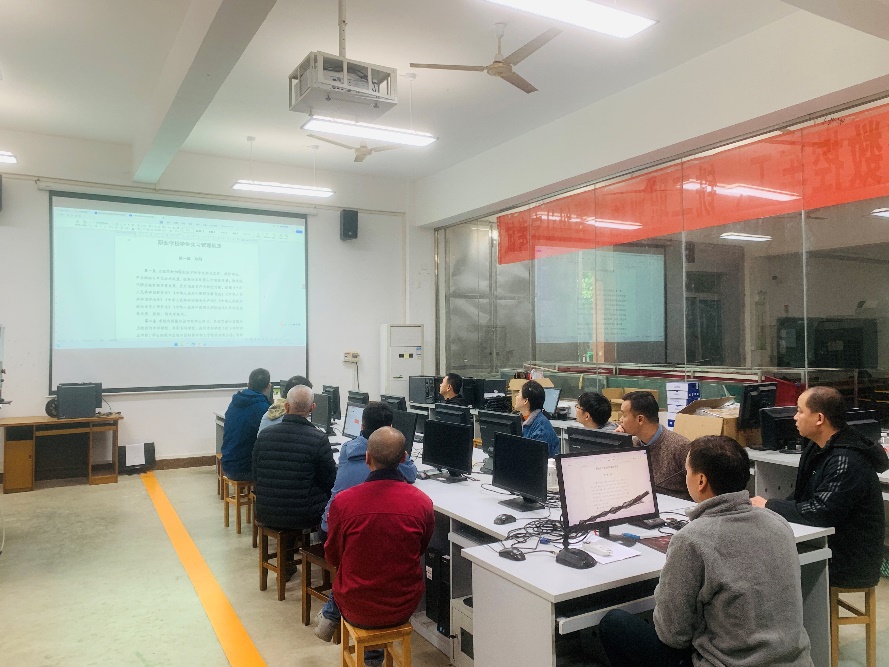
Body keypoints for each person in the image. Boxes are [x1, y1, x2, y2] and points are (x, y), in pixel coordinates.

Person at [599, 436, 813, 667]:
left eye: (687, 471)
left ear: (701, 480)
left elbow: (673, 635)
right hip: (794, 660)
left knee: (615, 623)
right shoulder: (778, 522)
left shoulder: (692, 539)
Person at [752, 386, 888, 588]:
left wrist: (769, 506)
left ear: (819, 419)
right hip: (831, 543)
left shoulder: (846, 460)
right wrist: (768, 510)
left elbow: (821, 511)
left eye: (800, 411)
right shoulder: (818, 448)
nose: (795, 417)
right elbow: (802, 495)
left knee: (769, 566)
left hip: (848, 561)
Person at [323, 427, 435, 667]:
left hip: (355, 604)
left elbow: (332, 556)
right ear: (404, 458)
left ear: (367, 458)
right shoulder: (423, 503)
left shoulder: (343, 502)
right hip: (403, 604)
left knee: (350, 574)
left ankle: (366, 653)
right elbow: (421, 548)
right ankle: (373, 656)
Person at [313, 402, 418, 644]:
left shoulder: (347, 449)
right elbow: (410, 475)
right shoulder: (398, 463)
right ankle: (372, 650)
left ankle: (330, 615)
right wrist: (401, 455)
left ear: (362, 425)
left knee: (355, 559)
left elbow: (332, 554)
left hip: (331, 526)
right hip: (356, 530)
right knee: (367, 555)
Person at [252, 384, 336, 532]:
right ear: (312, 408)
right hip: (305, 515)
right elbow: (329, 480)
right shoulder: (319, 439)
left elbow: (255, 474)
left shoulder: (264, 435)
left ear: (286, 406)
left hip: (266, 512)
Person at [617, 390, 691, 497]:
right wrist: (619, 444)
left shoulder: (680, 447)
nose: (620, 420)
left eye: (624, 415)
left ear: (640, 419)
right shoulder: (633, 444)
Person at [221, 367, 271, 481]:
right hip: (244, 469)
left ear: (248, 385)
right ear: (268, 386)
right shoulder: (264, 409)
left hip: (228, 463)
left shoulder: (235, 402)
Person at [517, 380, 560, 457]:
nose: (516, 397)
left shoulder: (541, 429)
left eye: (518, 394)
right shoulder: (521, 420)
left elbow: (536, 459)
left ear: (525, 401)